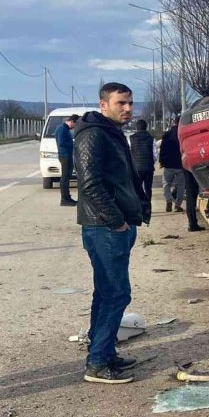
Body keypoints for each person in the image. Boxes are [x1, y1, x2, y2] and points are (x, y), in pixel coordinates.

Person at [74, 82, 150, 384]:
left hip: (115, 226)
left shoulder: (112, 133)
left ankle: (103, 352)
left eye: (130, 103)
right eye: (121, 103)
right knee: (117, 294)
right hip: (105, 228)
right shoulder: (93, 135)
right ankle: (97, 364)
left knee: (105, 292)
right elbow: (90, 184)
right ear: (103, 104)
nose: (128, 109)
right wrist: (117, 221)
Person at [159, 117, 185, 213]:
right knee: (181, 186)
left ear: (174, 122)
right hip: (181, 164)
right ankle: (177, 205)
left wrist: (161, 161)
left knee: (166, 184)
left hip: (168, 164)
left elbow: (162, 149)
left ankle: (169, 200)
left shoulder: (167, 134)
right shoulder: (183, 134)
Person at [128, 119, 156, 209]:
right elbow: (155, 154)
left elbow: (128, 154)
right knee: (148, 188)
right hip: (148, 168)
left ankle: (138, 207)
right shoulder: (151, 139)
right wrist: (151, 162)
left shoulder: (131, 139)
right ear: (146, 127)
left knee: (137, 188)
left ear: (136, 128)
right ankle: (148, 208)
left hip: (136, 168)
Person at [55, 114, 79, 206]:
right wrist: (72, 144)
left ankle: (67, 197)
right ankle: (64, 199)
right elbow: (61, 143)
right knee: (65, 177)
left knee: (67, 176)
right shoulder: (62, 129)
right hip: (64, 155)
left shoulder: (65, 129)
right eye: (75, 125)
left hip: (67, 155)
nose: (74, 128)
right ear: (72, 122)